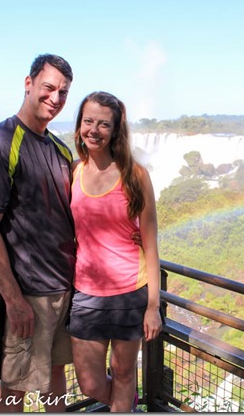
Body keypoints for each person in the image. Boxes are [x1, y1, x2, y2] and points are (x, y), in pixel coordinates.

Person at [0, 53, 76, 412]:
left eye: (63, 92)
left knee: (55, 373)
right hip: (25, 292)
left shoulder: (58, 149)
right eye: (48, 87)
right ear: (28, 84)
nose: (55, 98)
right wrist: (13, 300)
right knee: (13, 384)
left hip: (61, 288)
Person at [67, 91, 162, 412]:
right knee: (90, 382)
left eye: (103, 124)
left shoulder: (136, 176)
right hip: (87, 293)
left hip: (130, 293)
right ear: (80, 124)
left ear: (115, 130)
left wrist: (153, 306)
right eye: (88, 121)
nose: (94, 130)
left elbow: (151, 243)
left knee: (123, 374)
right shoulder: (73, 173)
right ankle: (128, 407)